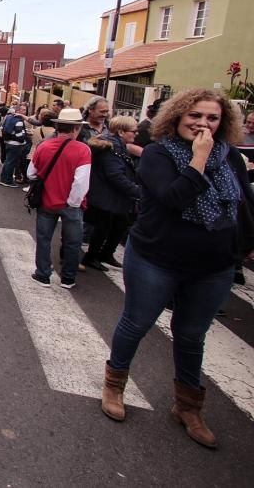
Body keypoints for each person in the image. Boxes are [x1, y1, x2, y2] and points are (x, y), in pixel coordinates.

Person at [101, 89, 253, 448]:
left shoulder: (230, 156)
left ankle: (188, 407)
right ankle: (114, 385)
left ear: (223, 123)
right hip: (157, 258)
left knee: (191, 335)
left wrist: (243, 245)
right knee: (136, 322)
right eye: (195, 116)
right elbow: (174, 198)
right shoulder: (158, 155)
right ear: (178, 116)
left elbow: (243, 202)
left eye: (212, 118)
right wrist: (198, 160)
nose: (203, 124)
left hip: (213, 265)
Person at [28, 108, 92, 289]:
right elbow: (81, 182)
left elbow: (31, 173)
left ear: (58, 126)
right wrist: (73, 202)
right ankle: (68, 278)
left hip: (47, 202)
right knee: (72, 243)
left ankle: (42, 274)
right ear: (76, 128)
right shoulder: (83, 150)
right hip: (71, 204)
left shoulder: (44, 146)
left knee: (44, 239)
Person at [83, 116, 141, 272]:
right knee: (103, 228)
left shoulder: (116, 145)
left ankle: (105, 254)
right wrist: (137, 191)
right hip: (106, 197)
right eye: (133, 131)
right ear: (121, 132)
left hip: (112, 196)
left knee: (119, 225)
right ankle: (92, 257)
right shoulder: (111, 148)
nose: (136, 134)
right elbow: (116, 176)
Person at [0, 107, 28, 188]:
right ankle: (8, 180)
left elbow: (3, 128)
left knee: (8, 161)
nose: (25, 112)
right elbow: (19, 135)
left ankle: (3, 179)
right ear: (18, 111)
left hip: (8, 142)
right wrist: (24, 137)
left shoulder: (9, 117)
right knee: (11, 163)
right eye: (23, 110)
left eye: (25, 110)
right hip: (16, 144)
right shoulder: (19, 121)